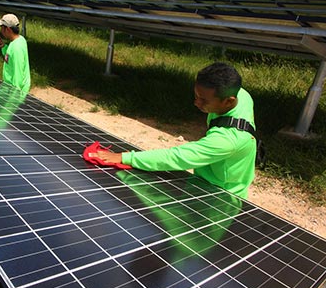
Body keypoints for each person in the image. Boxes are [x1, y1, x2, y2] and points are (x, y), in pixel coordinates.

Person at [90, 62, 257, 199]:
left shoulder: (226, 140)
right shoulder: (241, 96)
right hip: (216, 177)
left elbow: (177, 157)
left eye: (203, 100)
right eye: (196, 95)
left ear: (228, 101)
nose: (196, 103)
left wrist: (125, 157)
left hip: (222, 196)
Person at [0, 14, 31, 94]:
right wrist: (3, 46)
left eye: (2, 28)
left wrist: (12, 100)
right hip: (8, 88)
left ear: (8, 29)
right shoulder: (20, 40)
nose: (1, 31)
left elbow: (18, 75)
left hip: (13, 91)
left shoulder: (16, 48)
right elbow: (11, 57)